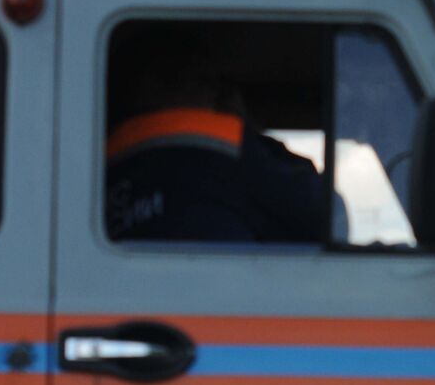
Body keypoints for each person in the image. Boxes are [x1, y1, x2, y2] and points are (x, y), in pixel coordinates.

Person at [105, 25, 326, 243]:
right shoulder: (225, 149)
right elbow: (324, 213)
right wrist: (248, 129)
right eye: (207, 82)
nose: (215, 97)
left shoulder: (99, 165)